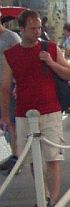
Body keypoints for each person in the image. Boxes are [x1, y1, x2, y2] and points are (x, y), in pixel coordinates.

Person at [1, 9, 70, 207]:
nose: (37, 32)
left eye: (39, 28)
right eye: (32, 28)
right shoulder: (11, 55)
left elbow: (69, 74)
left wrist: (50, 62)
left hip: (50, 110)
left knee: (53, 157)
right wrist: (5, 115)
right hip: (24, 112)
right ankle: (44, 196)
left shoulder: (50, 48)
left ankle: (55, 200)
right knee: (34, 159)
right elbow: (5, 86)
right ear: (22, 29)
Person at [0, 20, 21, 174]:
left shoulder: (11, 37)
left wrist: (19, 83)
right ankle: (8, 155)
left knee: (12, 123)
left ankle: (16, 158)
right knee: (4, 124)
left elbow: (21, 61)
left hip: (10, 86)